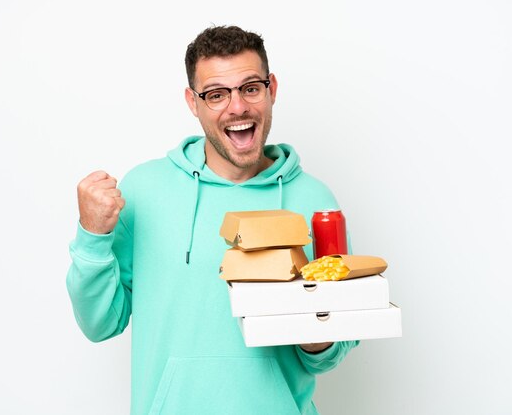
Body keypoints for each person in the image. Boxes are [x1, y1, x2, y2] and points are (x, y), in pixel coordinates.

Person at [66, 25, 359, 415]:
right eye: (217, 94)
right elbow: (99, 324)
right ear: (193, 102)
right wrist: (91, 235)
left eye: (250, 88)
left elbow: (329, 354)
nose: (237, 107)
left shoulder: (314, 201)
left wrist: (316, 334)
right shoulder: (144, 190)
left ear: (272, 89)